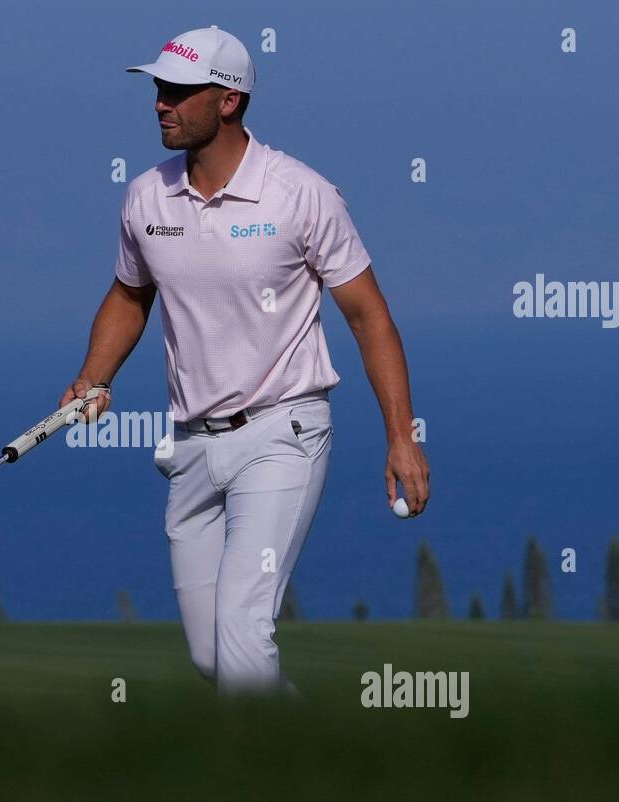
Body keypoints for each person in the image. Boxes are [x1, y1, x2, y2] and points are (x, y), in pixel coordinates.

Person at [61, 25, 429, 694]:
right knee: (213, 657)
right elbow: (128, 295)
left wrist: (401, 437)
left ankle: (272, 793)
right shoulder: (146, 196)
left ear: (228, 100)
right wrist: (94, 376)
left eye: (176, 90)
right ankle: (317, 761)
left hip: (283, 434)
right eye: (157, 90)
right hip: (191, 447)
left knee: (240, 634)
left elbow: (368, 314)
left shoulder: (301, 194)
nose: (159, 103)